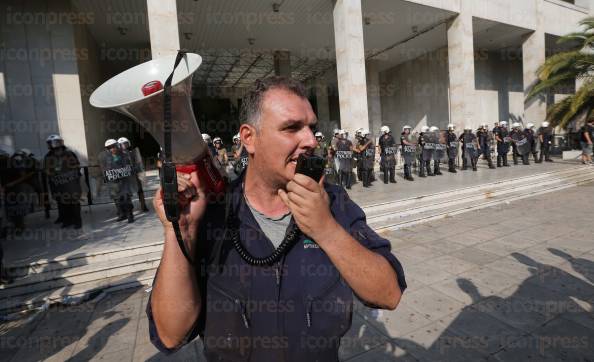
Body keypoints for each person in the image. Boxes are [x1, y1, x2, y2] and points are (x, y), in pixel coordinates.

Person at [147, 76, 406, 361]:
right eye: (292, 128)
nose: (310, 141)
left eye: (311, 128)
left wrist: (327, 231)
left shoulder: (333, 202)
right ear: (249, 138)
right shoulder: (210, 213)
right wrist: (180, 232)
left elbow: (389, 294)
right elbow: (170, 334)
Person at [44, 135, 83, 229]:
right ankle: (67, 221)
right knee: (62, 202)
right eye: (51, 143)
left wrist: (64, 170)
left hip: (70, 182)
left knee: (74, 202)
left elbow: (77, 165)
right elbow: (46, 169)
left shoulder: (69, 154)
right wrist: (53, 172)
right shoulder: (48, 156)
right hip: (57, 184)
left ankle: (77, 221)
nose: (53, 145)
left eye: (55, 142)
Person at [99, 139, 136, 223]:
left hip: (124, 181)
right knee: (117, 199)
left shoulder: (124, 155)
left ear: (117, 146)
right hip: (114, 182)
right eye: (109, 148)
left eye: (113, 146)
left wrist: (129, 170)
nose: (112, 149)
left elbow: (129, 166)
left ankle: (130, 215)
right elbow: (104, 169)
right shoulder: (106, 158)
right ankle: (122, 214)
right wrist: (105, 176)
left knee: (126, 198)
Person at [118, 137, 149, 212]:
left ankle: (143, 205)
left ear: (128, 143)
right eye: (121, 144)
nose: (124, 145)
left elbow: (138, 162)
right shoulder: (118, 155)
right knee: (127, 192)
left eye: (125, 143)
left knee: (140, 190)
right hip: (125, 175)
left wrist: (137, 169)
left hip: (134, 173)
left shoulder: (133, 152)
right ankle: (129, 207)